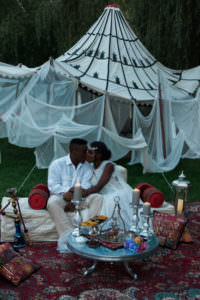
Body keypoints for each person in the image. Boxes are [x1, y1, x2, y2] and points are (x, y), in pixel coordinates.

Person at [47, 138, 103, 241]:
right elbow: (53, 186)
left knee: (97, 197)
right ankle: (69, 236)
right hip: (62, 198)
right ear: (74, 152)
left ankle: (88, 231)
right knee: (52, 202)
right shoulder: (57, 164)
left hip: (80, 198)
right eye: (84, 151)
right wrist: (65, 194)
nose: (86, 154)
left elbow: (85, 186)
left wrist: (74, 198)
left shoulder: (87, 167)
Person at [84, 141, 133, 229]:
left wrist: (81, 193)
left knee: (110, 205)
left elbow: (98, 187)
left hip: (117, 193)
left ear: (99, 155)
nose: (88, 155)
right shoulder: (90, 167)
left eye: (90, 152)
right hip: (104, 195)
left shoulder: (108, 166)